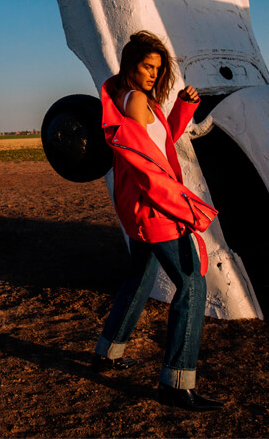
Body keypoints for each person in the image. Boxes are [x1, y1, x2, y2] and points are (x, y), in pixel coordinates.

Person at [90, 30, 224, 411]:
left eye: (158, 68)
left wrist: (181, 108)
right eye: (147, 66)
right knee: (192, 286)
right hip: (156, 207)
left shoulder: (136, 100)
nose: (153, 73)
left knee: (140, 278)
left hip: (145, 207)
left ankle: (106, 354)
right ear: (131, 64)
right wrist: (184, 205)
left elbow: (161, 144)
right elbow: (145, 166)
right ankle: (176, 382)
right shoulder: (134, 101)